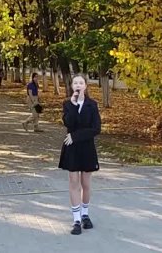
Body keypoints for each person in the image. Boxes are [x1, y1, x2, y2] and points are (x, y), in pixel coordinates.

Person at [58, 75, 101, 235]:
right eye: (75, 83)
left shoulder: (92, 105)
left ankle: (85, 215)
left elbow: (96, 128)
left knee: (86, 184)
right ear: (72, 86)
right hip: (72, 149)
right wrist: (74, 104)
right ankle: (76, 220)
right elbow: (68, 123)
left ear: (85, 86)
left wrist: (76, 136)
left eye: (81, 83)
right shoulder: (67, 104)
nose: (78, 85)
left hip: (86, 147)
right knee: (73, 182)